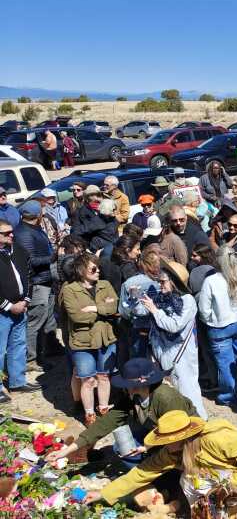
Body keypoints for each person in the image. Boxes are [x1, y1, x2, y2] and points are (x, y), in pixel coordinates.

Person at [85, 410, 237, 518]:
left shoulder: (215, 438)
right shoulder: (173, 451)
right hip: (226, 470)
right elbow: (141, 472)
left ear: (181, 436)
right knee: (189, 483)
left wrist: (232, 484)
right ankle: (205, 516)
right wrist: (105, 493)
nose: (163, 444)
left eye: (167, 440)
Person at [46, 358, 201, 469]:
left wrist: (148, 447)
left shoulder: (166, 397)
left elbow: (181, 435)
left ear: (136, 385)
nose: (123, 387)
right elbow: (104, 424)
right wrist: (66, 451)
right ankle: (151, 469)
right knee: (121, 448)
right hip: (158, 437)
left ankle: (166, 473)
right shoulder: (132, 396)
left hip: (184, 444)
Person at [140, 260, 208, 419]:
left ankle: (200, 424)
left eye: (163, 281)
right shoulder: (164, 298)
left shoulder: (188, 301)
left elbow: (174, 325)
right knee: (172, 396)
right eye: (159, 281)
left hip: (181, 358)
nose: (160, 285)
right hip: (162, 356)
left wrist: (155, 310)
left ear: (173, 282)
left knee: (188, 393)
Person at [60, 252, 119, 425]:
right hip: (82, 342)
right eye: (94, 268)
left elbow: (114, 306)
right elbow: (77, 317)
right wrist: (103, 310)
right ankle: (89, 414)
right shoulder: (70, 290)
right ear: (81, 270)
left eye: (98, 267)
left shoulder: (105, 284)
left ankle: (103, 408)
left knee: (104, 376)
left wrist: (92, 308)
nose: (98, 270)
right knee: (87, 379)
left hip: (105, 339)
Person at [197, 245, 237, 405]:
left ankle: (229, 396)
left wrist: (210, 320)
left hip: (220, 327)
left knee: (224, 363)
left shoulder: (211, 280)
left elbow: (204, 308)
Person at [0, 218, 39, 404]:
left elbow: (30, 276)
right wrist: (8, 306)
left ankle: (17, 381)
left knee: (18, 345)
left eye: (11, 232)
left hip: (21, 306)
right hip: (3, 312)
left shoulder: (19, 251)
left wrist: (26, 300)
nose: (11, 235)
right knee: (0, 351)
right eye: (6, 233)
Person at [14, 200, 56, 372]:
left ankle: (45, 351)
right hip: (37, 283)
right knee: (35, 321)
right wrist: (53, 258)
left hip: (46, 280)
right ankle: (31, 358)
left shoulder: (34, 229)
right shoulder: (24, 233)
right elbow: (30, 261)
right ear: (37, 215)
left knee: (46, 318)